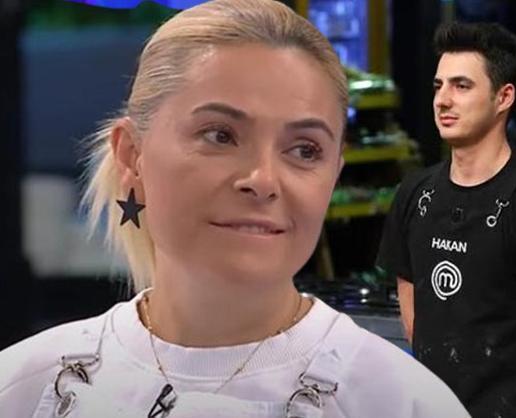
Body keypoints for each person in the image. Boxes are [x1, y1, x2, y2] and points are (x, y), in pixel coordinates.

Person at [0, 1, 470, 417]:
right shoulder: (23, 386)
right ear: (131, 156)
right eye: (220, 136)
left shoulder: (403, 402)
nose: (263, 180)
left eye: (304, 149)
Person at [377, 22, 516, 418]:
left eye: (461, 86)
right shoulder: (414, 193)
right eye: (438, 86)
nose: (443, 100)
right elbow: (416, 322)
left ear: (504, 97)